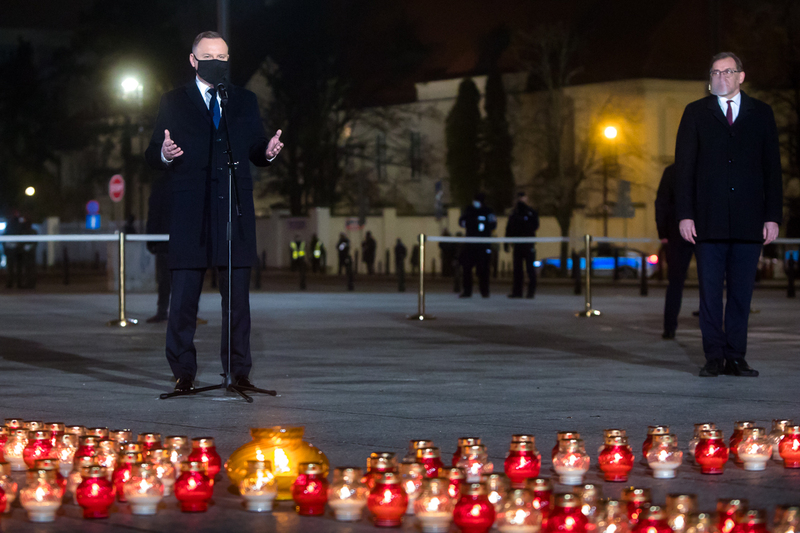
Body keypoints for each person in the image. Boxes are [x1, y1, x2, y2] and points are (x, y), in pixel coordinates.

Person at [144, 31, 284, 392]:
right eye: (209, 56)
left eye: (222, 57)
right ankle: (183, 372)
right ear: (193, 60)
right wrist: (165, 153)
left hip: (234, 212)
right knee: (184, 300)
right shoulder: (174, 101)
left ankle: (238, 372)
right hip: (191, 212)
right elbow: (152, 153)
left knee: (237, 302)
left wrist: (266, 152)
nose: (217, 63)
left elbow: (255, 146)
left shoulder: (245, 100)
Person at [675, 52, 782, 378]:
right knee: (710, 294)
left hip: (750, 222)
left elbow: (772, 169)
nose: (721, 77)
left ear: (741, 76)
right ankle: (714, 357)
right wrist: (685, 214)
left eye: (727, 71)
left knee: (741, 294)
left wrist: (772, 216)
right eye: (715, 72)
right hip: (708, 221)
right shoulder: (696, 113)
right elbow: (684, 169)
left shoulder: (761, 114)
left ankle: (736, 356)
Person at [655, 164, 695, 339]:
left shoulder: (672, 170)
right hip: (705, 230)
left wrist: (663, 232)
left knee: (675, 283)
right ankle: (712, 327)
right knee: (711, 282)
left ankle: (669, 327)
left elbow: (662, 202)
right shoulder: (708, 165)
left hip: (676, 231)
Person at [459, 192, 496, 298]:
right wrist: (472, 223)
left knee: (483, 270)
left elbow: (493, 225)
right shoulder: (469, 210)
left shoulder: (488, 211)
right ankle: (467, 291)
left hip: (483, 246)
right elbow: (461, 221)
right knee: (467, 269)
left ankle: (484, 291)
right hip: (470, 245)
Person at [145, 177, 172, 323]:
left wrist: (151, 238)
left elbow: (154, 212)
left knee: (164, 279)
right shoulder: (188, 178)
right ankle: (185, 312)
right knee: (183, 278)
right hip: (182, 238)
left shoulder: (160, 183)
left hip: (163, 239)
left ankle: (162, 311)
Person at [505, 192, 539, 298]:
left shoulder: (531, 212)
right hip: (518, 245)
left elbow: (535, 226)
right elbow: (509, 228)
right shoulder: (514, 213)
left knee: (530, 269)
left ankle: (530, 292)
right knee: (517, 270)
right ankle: (517, 292)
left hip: (528, 244)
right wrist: (506, 242)